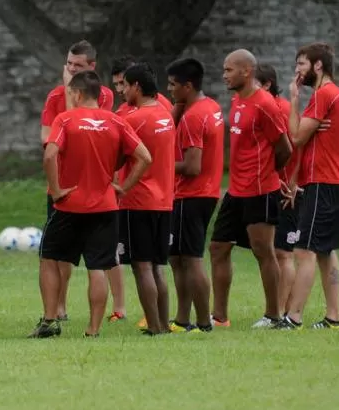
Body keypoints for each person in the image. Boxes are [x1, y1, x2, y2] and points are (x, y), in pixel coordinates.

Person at [30, 71, 151, 339]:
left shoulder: (65, 120)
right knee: (97, 267)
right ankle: (93, 329)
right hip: (106, 206)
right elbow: (145, 156)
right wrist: (125, 187)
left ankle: (50, 321)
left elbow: (50, 155)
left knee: (49, 258)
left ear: (78, 93)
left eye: (70, 93)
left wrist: (57, 189)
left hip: (69, 205)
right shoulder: (115, 121)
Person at [209, 49, 292, 329]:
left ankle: (274, 316)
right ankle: (219, 317)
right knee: (218, 247)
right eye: (224, 69)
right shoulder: (237, 100)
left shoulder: (265, 104)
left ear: (247, 71)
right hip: (235, 190)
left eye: (229, 69)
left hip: (260, 190)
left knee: (263, 251)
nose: (224, 75)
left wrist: (270, 173)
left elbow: (285, 148)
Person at [39, 40, 115, 323]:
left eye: (78, 66)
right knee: (57, 255)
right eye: (68, 64)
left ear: (92, 67)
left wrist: (71, 95)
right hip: (61, 187)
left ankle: (106, 314)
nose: (71, 69)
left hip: (94, 189)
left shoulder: (103, 95)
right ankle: (58, 306)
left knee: (97, 260)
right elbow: (46, 140)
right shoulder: (53, 97)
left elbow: (87, 122)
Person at [282, 42, 339, 330]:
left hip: (325, 182)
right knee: (325, 250)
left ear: (318, 65)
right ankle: (333, 317)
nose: (297, 70)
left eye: (301, 64)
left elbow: (296, 137)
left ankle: (293, 317)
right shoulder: (328, 94)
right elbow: (306, 140)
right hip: (330, 182)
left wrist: (294, 100)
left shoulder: (324, 94)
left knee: (304, 249)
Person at [116, 63, 175, 336]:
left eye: (125, 86)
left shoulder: (134, 120)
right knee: (158, 267)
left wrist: (122, 187)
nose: (123, 91)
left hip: (138, 201)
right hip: (164, 201)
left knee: (141, 266)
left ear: (136, 87)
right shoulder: (166, 114)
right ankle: (163, 324)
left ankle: (153, 325)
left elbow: (122, 157)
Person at [166, 58, 224, 332]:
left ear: (187, 86)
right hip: (207, 192)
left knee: (191, 258)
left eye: (173, 85)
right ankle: (182, 319)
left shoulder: (193, 118)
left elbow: (192, 167)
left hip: (190, 194)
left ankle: (202, 322)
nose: (169, 91)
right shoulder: (210, 106)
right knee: (178, 258)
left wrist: (159, 164)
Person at [256, 63, 300, 321]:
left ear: (267, 85)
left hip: (286, 190)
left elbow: (295, 148)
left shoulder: (280, 109)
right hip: (273, 187)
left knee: (284, 252)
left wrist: (292, 182)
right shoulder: (264, 108)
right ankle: (280, 308)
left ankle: (282, 311)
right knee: (276, 250)